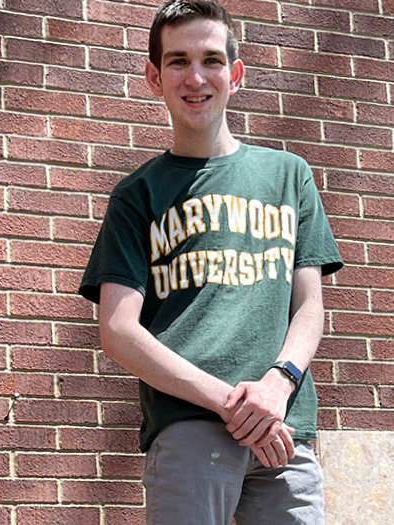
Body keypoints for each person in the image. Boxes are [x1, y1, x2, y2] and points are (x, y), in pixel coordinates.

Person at [78, 0, 343, 522]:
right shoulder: (138, 195)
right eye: (177, 61)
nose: (195, 77)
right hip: (190, 428)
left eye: (211, 60)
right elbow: (118, 329)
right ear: (154, 78)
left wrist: (279, 382)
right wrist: (231, 403)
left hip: (285, 431)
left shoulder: (289, 176)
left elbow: (309, 306)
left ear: (235, 74)